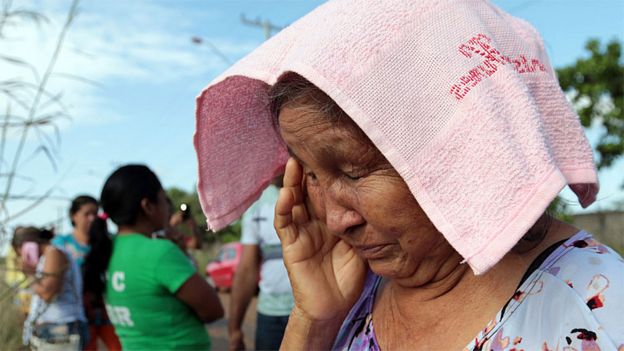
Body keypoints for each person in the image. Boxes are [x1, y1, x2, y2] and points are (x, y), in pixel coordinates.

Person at [193, 1, 623, 349]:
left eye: (354, 171)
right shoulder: (354, 293)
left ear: (467, 144)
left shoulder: (598, 314)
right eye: (311, 174)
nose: (337, 219)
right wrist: (312, 323)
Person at [97, 164, 223, 350]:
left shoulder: (105, 250)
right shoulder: (160, 252)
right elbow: (213, 311)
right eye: (164, 199)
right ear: (148, 206)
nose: (167, 207)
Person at [229, 180, 294, 351]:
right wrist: (234, 328)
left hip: (316, 312)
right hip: (270, 316)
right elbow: (246, 270)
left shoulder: (315, 191)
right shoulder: (255, 205)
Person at [12, 226, 87, 349]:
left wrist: (30, 274)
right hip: (56, 327)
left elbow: (48, 294)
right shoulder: (47, 256)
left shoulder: (53, 253)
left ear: (27, 247)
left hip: (61, 326)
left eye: (21, 253)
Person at [82, 215, 122, 351]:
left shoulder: (88, 256)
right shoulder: (114, 252)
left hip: (90, 310)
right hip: (111, 309)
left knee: (90, 346)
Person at [53, 195, 98, 266]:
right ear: (74, 215)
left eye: (95, 214)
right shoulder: (60, 244)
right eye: (87, 214)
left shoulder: (104, 245)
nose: (92, 219)